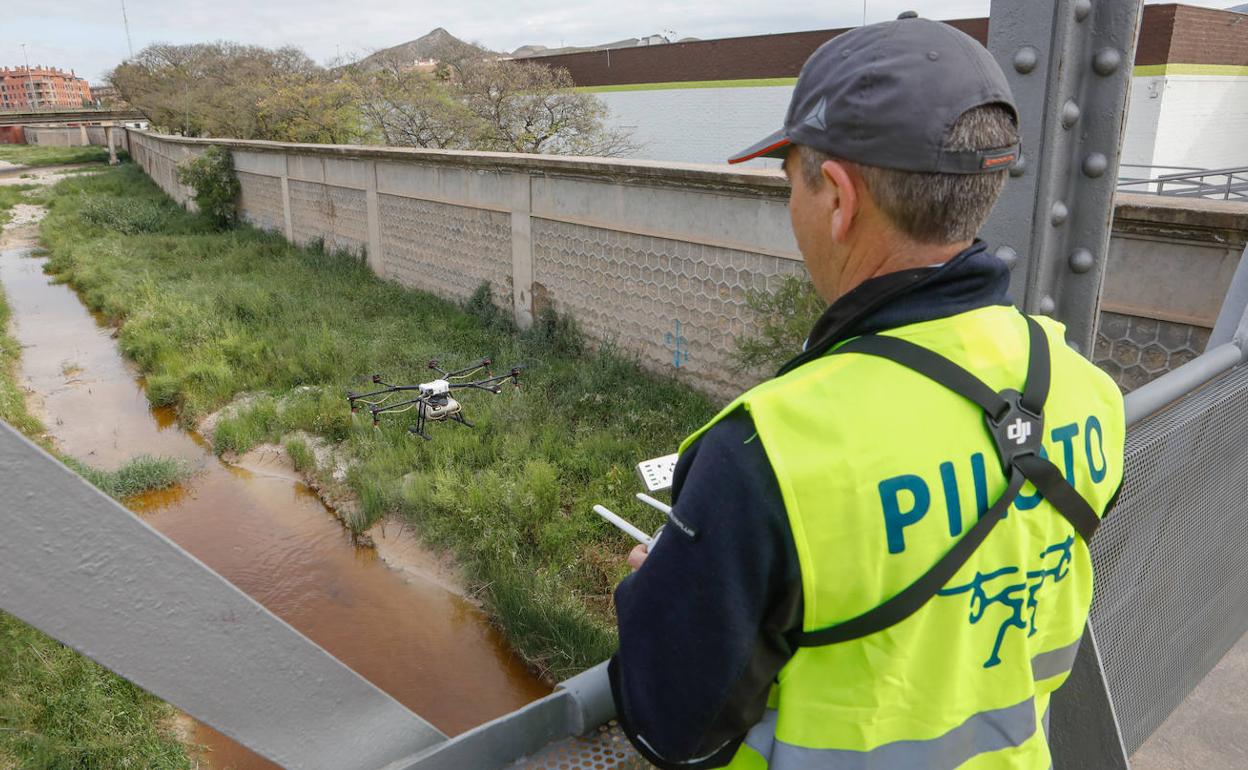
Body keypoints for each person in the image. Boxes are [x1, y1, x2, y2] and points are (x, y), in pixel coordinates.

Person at [609, 14, 1126, 770]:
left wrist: (654, 596)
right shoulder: (1086, 391)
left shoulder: (766, 454)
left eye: (793, 183)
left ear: (840, 199)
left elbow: (667, 727)